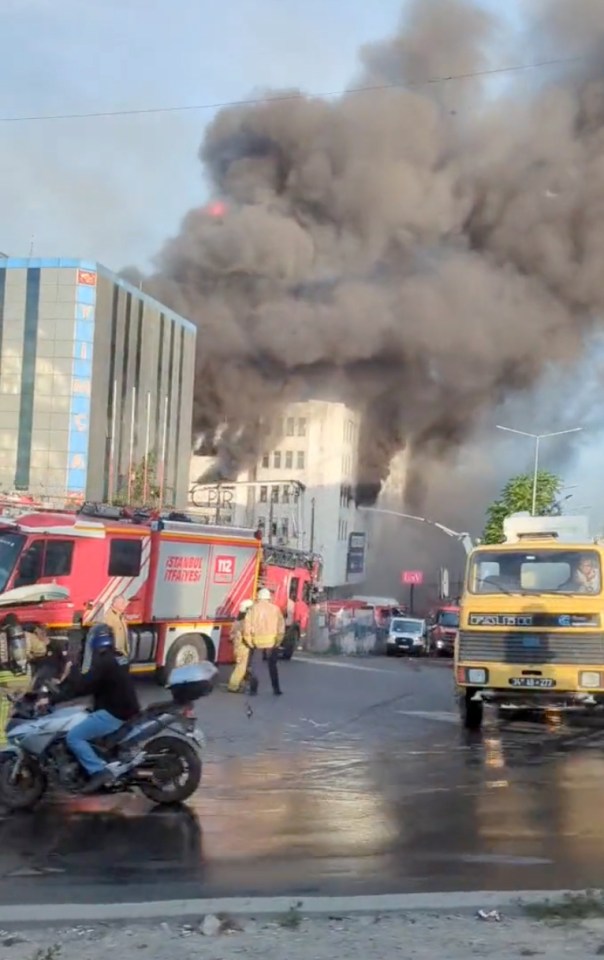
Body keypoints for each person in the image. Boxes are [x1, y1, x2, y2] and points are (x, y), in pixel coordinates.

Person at [51, 624, 140, 794]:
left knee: (74, 737)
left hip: (114, 713)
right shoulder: (120, 657)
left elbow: (84, 687)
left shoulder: (103, 661)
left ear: (94, 641)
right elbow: (102, 685)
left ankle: (98, 771)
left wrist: (72, 673)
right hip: (128, 708)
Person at [241, 587, 285, 696]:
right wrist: (278, 641)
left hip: (257, 642)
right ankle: (276, 689)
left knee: (256, 667)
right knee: (273, 666)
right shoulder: (275, 609)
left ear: (259, 597)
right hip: (272, 642)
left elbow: (246, 626)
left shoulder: (253, 609)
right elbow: (281, 627)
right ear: (269, 598)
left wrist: (249, 641)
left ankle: (253, 690)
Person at [227, 599, 254, 693]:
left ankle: (239, 683)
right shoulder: (245, 622)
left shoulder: (237, 621)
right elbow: (246, 635)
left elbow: (231, 635)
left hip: (236, 646)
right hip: (243, 647)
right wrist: (252, 644)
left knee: (238, 665)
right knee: (241, 667)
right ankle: (233, 686)